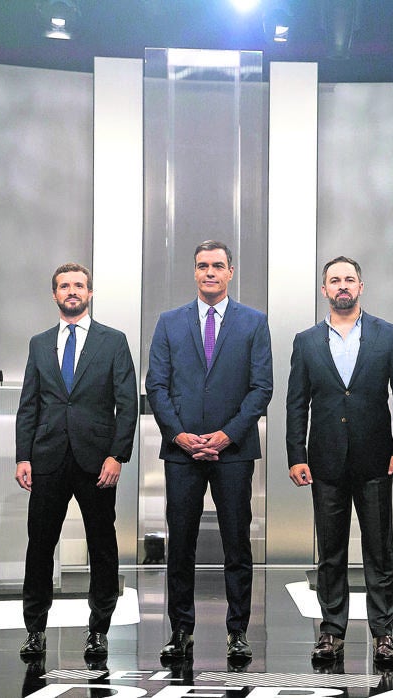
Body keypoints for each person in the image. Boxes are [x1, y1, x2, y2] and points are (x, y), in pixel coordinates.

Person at [146, 240, 273, 664]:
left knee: (237, 544)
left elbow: (261, 388)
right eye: (202, 266)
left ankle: (238, 632)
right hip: (181, 452)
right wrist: (180, 435)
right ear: (194, 271)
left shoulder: (254, 323)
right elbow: (156, 386)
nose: (210, 272)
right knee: (180, 545)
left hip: (233, 452)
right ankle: (180, 631)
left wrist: (227, 435)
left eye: (218, 265)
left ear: (230, 272)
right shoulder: (169, 322)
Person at [286, 256, 393, 665]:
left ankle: (383, 634)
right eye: (334, 280)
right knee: (331, 553)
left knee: (379, 552)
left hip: (377, 460)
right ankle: (332, 631)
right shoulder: (306, 341)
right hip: (325, 462)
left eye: (349, 279)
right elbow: (296, 403)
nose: (342, 286)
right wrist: (296, 455)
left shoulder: (388, 335)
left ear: (360, 286)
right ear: (324, 289)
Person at [15, 263, 138, 659]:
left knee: (102, 547)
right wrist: (23, 456)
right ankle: (35, 630)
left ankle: (98, 629)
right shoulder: (39, 344)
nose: (72, 291)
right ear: (55, 294)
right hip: (47, 459)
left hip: (97, 461)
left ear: (90, 293)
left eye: (79, 285)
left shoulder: (113, 341)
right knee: (40, 547)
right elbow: (29, 404)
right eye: (65, 286)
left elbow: (128, 404)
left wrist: (117, 455)